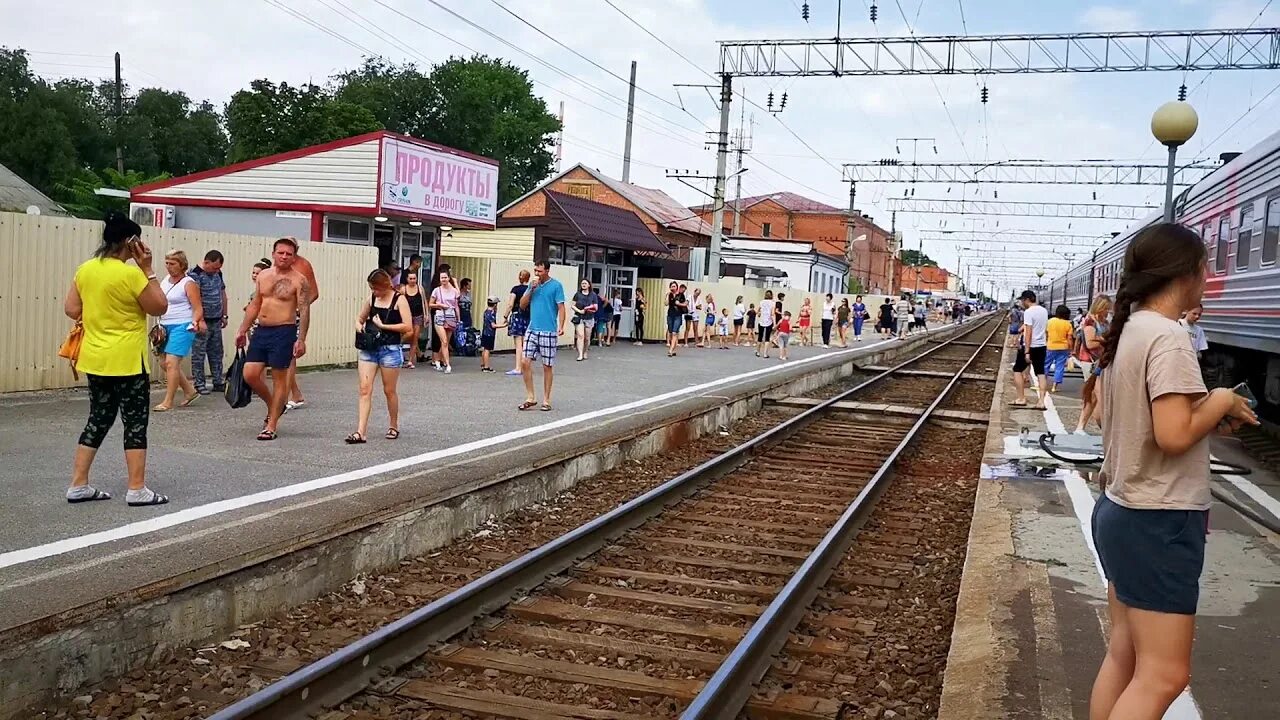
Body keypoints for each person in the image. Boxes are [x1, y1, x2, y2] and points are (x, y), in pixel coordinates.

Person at [1088, 223, 1259, 720]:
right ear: (1188, 272)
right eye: (1206, 266)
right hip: (1158, 519)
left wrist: (1205, 413)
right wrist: (1222, 399)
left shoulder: (1132, 330)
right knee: (1164, 674)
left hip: (1120, 509)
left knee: (1125, 653)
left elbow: (1154, 423)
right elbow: (1174, 435)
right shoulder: (1169, 336)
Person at [64, 212, 171, 506]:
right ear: (131, 241)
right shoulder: (131, 274)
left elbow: (72, 309)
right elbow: (158, 305)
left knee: (98, 418)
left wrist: (100, 311)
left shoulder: (85, 270)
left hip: (95, 358)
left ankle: (79, 483)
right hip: (127, 359)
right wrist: (148, 269)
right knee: (135, 422)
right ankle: (137, 488)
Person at [235, 238, 311, 441]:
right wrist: (242, 329)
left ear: (294, 256)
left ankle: (271, 424)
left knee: (279, 379)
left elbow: (304, 310)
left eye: (289, 254)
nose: (284, 256)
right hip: (261, 330)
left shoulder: (299, 280)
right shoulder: (263, 276)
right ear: (273, 253)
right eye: (281, 253)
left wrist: (301, 339)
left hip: (284, 331)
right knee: (250, 374)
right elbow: (255, 304)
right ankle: (275, 406)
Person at [346, 269, 411, 444]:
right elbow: (359, 318)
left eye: (377, 288)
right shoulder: (372, 299)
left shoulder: (400, 299)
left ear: (385, 285)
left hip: (390, 348)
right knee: (364, 389)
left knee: (389, 390)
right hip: (369, 348)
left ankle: (393, 424)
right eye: (372, 288)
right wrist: (359, 327)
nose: (374, 292)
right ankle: (360, 431)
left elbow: (408, 326)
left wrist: (384, 326)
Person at [153, 250, 204, 411]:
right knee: (163, 363)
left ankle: (168, 401)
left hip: (182, 324)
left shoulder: (189, 283)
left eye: (173, 263)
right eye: (167, 263)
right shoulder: (166, 280)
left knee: (171, 362)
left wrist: (195, 321)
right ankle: (189, 391)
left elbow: (197, 307)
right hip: (164, 325)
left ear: (182, 265)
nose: (169, 267)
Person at [519, 260, 566, 411]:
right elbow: (522, 304)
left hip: (548, 330)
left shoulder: (556, 286)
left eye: (539, 271)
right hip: (532, 328)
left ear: (547, 270)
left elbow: (561, 307)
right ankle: (530, 396)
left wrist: (561, 325)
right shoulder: (532, 285)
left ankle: (546, 399)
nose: (537, 274)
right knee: (525, 361)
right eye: (535, 271)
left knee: (547, 366)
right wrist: (531, 289)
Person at [284, 246, 320, 412]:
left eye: (289, 251)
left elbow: (313, 293)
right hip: (276, 318)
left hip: (293, 317)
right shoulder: (275, 269)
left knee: (289, 356)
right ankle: (294, 393)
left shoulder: (303, 266)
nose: (285, 255)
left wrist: (299, 308)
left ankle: (287, 395)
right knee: (280, 358)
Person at [188, 250, 227, 395]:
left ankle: (218, 381)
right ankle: (199, 383)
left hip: (216, 320)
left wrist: (225, 315)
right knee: (199, 354)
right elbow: (195, 298)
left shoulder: (218, 274)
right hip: (202, 322)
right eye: (214, 267)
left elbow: (222, 293)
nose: (216, 271)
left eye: (218, 268)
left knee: (217, 352)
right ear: (206, 262)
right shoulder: (195, 275)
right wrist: (200, 319)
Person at [1074, 295, 1113, 435]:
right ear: (1100, 307)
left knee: (1094, 396)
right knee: (1098, 394)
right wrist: (1105, 339)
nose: (1108, 312)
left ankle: (1081, 427)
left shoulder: (1104, 322)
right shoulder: (1090, 322)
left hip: (1101, 361)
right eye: (1106, 309)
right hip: (1091, 362)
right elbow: (1090, 343)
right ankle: (1104, 427)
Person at [1011, 290, 1049, 409]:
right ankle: (1041, 401)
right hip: (1041, 346)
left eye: (1022, 300)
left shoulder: (1028, 312)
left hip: (1030, 346)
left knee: (1017, 370)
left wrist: (1027, 351)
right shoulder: (1044, 311)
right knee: (1041, 373)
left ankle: (1021, 398)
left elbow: (1029, 333)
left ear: (1027, 300)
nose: (1021, 303)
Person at [430, 271, 461, 373]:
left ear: (449, 278)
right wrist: (439, 305)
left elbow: (456, 306)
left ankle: (438, 360)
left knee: (446, 342)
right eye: (441, 278)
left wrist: (458, 319)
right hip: (439, 315)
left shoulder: (454, 291)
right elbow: (430, 304)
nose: (443, 279)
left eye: (445, 277)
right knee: (444, 341)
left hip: (451, 316)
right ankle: (447, 364)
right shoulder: (436, 290)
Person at [505, 269, 531, 375]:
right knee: (526, 344)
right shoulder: (530, 290)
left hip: (517, 316)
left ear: (520, 277)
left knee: (518, 345)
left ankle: (518, 368)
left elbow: (510, 304)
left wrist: (505, 316)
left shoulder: (515, 289)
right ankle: (526, 367)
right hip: (528, 317)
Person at [1045, 304, 1075, 392]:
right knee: (1059, 366)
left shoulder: (1050, 321)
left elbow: (1046, 334)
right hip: (1063, 348)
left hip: (1050, 346)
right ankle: (1054, 387)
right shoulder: (1068, 324)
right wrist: (1071, 349)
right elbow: (1069, 338)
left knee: (1046, 365)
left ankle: (1042, 384)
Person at [571, 279, 601, 361]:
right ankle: (580, 354)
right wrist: (579, 310)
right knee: (580, 336)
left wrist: (588, 308)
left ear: (589, 285)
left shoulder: (593, 295)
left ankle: (585, 351)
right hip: (579, 317)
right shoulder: (577, 294)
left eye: (585, 283)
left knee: (587, 338)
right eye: (582, 283)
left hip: (589, 317)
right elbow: (572, 305)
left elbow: (596, 307)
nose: (583, 285)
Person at [401, 271, 425, 369]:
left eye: (414, 278)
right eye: (410, 279)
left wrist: (426, 315)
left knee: (415, 338)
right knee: (408, 335)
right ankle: (400, 353)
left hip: (418, 316)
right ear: (407, 279)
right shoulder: (403, 289)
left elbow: (424, 302)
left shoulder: (420, 288)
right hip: (407, 317)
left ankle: (410, 361)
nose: (412, 281)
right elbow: (399, 303)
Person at [481, 295, 504, 372]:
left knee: (484, 349)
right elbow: (493, 325)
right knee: (487, 350)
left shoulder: (486, 311)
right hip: (489, 333)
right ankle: (486, 367)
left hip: (484, 332)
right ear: (494, 304)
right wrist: (504, 325)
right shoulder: (491, 314)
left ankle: (483, 364)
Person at [665, 281, 686, 357]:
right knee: (670, 332)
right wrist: (667, 295)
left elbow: (685, 304)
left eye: (674, 286)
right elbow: (666, 303)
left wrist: (679, 304)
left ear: (677, 287)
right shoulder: (669, 295)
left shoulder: (681, 295)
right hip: (670, 315)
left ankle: (670, 350)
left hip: (678, 315)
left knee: (674, 332)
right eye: (671, 286)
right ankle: (673, 349)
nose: (673, 288)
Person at [756, 290, 776, 358]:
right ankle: (765, 354)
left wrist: (759, 314)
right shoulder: (772, 303)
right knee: (767, 338)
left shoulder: (761, 302)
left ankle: (758, 352)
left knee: (760, 337)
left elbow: (757, 311)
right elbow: (772, 313)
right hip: (768, 321)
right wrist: (775, 323)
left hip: (761, 321)